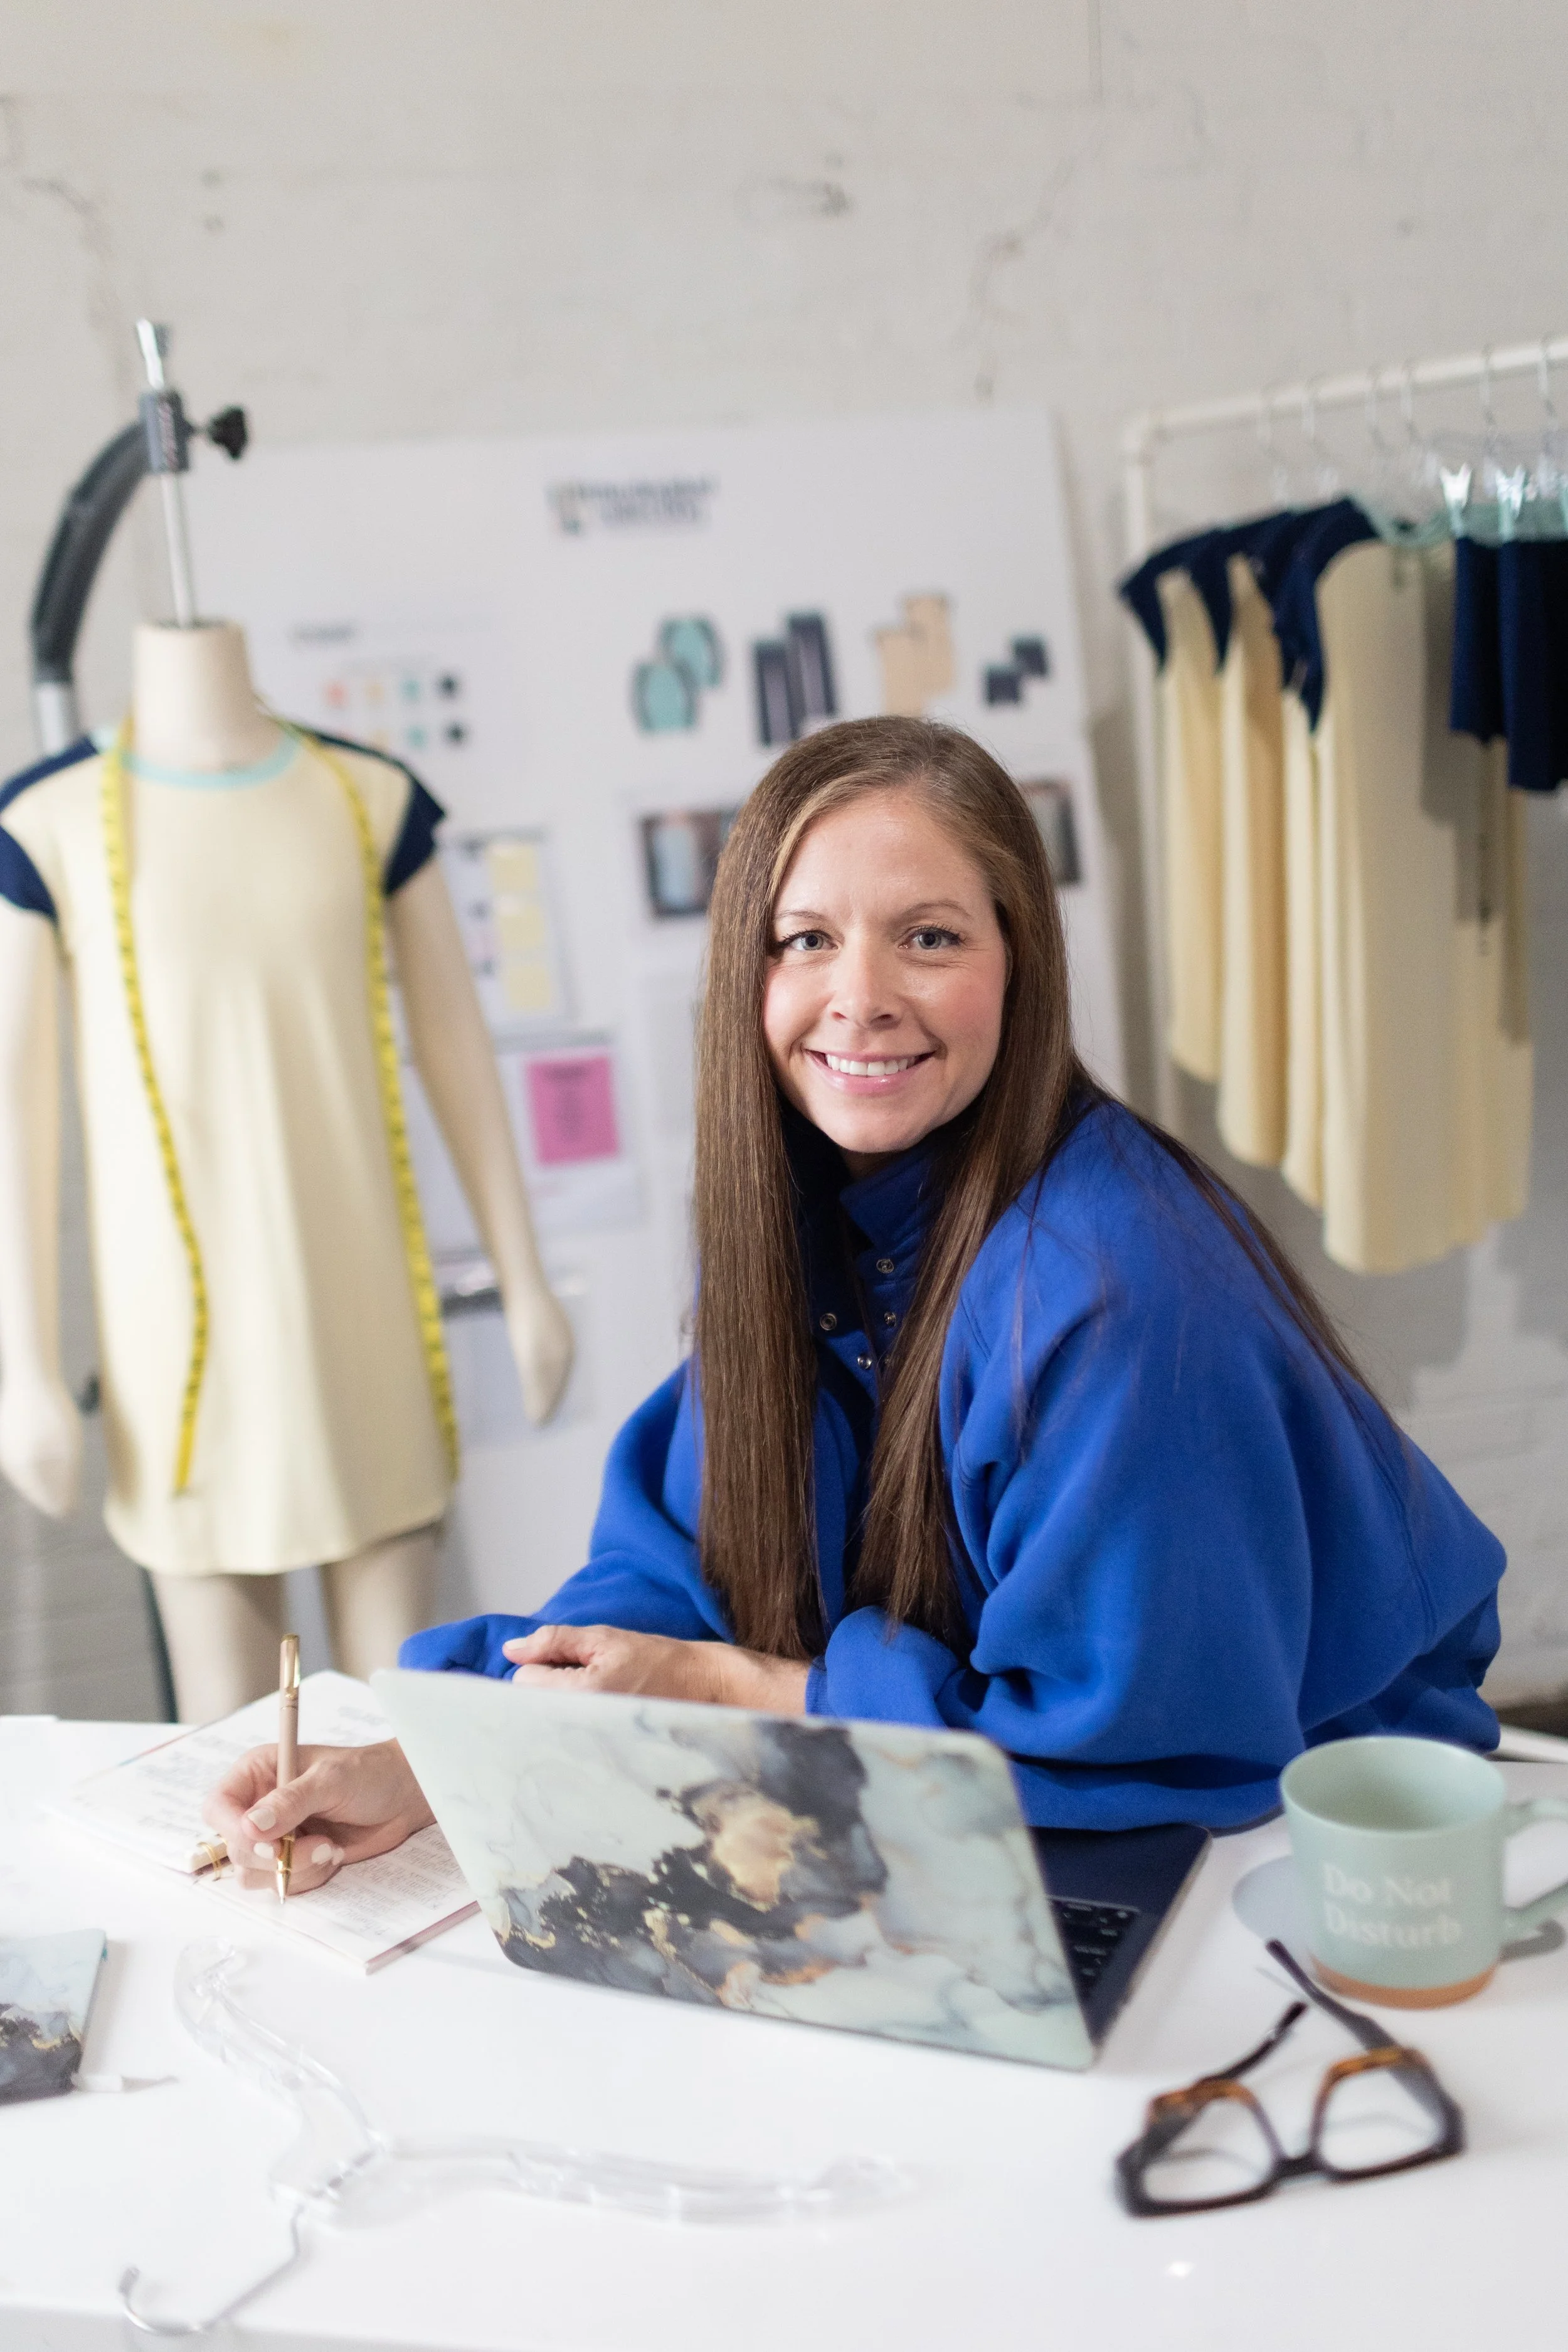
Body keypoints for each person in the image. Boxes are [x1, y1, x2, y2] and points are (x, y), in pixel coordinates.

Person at [206, 716, 1504, 1894]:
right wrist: (446, 1754)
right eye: (805, 940)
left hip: (1287, 1845)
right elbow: (682, 1569)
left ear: (1016, 963)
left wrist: (730, 1688)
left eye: (928, 936)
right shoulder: (804, 1221)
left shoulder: (1112, 1291)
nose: (860, 995)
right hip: (966, 1794)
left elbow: (1127, 1740)